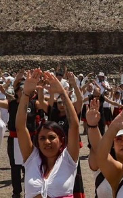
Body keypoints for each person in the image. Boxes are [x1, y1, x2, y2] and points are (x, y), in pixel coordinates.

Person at [18, 69, 80, 198]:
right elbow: (20, 127)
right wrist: (26, 93)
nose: (47, 142)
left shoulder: (68, 159)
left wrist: (62, 92)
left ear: (62, 140)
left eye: (52, 137)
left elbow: (74, 126)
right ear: (37, 142)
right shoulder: (31, 158)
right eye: (42, 138)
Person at [0, 70, 41, 198]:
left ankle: (31, 191)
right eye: (21, 91)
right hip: (14, 139)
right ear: (17, 92)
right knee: (15, 167)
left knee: (30, 165)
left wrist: (41, 88)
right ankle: (16, 192)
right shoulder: (11, 104)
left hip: (31, 138)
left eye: (25, 91)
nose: (23, 93)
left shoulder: (35, 104)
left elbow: (50, 104)